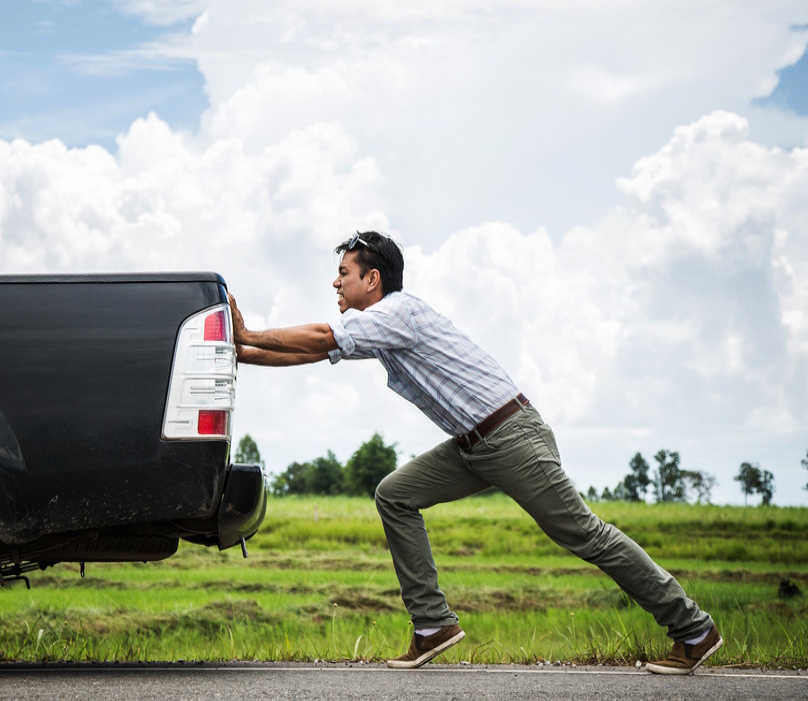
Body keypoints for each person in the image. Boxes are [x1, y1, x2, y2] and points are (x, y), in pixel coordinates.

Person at [228, 230, 721, 673]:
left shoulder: (396, 313)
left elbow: (319, 337)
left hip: (511, 437)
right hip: (473, 446)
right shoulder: (379, 327)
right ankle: (433, 625)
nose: (335, 284)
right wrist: (242, 351)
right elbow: (314, 351)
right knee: (395, 494)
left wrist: (250, 333)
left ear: (372, 278)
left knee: (585, 535)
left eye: (343, 274)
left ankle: (694, 628)